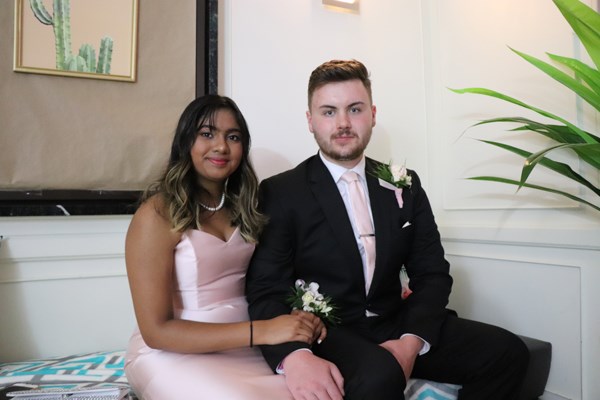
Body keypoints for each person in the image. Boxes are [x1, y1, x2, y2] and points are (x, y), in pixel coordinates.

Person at [245, 60, 530, 400]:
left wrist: (411, 343)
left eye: (355, 109)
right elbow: (265, 289)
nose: (344, 123)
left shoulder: (404, 184)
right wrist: (294, 356)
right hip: (330, 333)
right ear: (310, 120)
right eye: (328, 111)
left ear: (373, 114)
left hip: (396, 322)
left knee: (508, 352)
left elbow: (433, 273)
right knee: (380, 376)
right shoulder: (282, 191)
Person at [124, 95, 326, 400]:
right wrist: (265, 330)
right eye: (207, 134)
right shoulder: (157, 214)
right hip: (175, 353)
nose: (221, 146)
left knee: (311, 390)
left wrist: (299, 316)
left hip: (246, 347)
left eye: (233, 137)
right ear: (186, 141)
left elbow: (270, 279)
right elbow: (157, 331)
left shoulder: (248, 207)